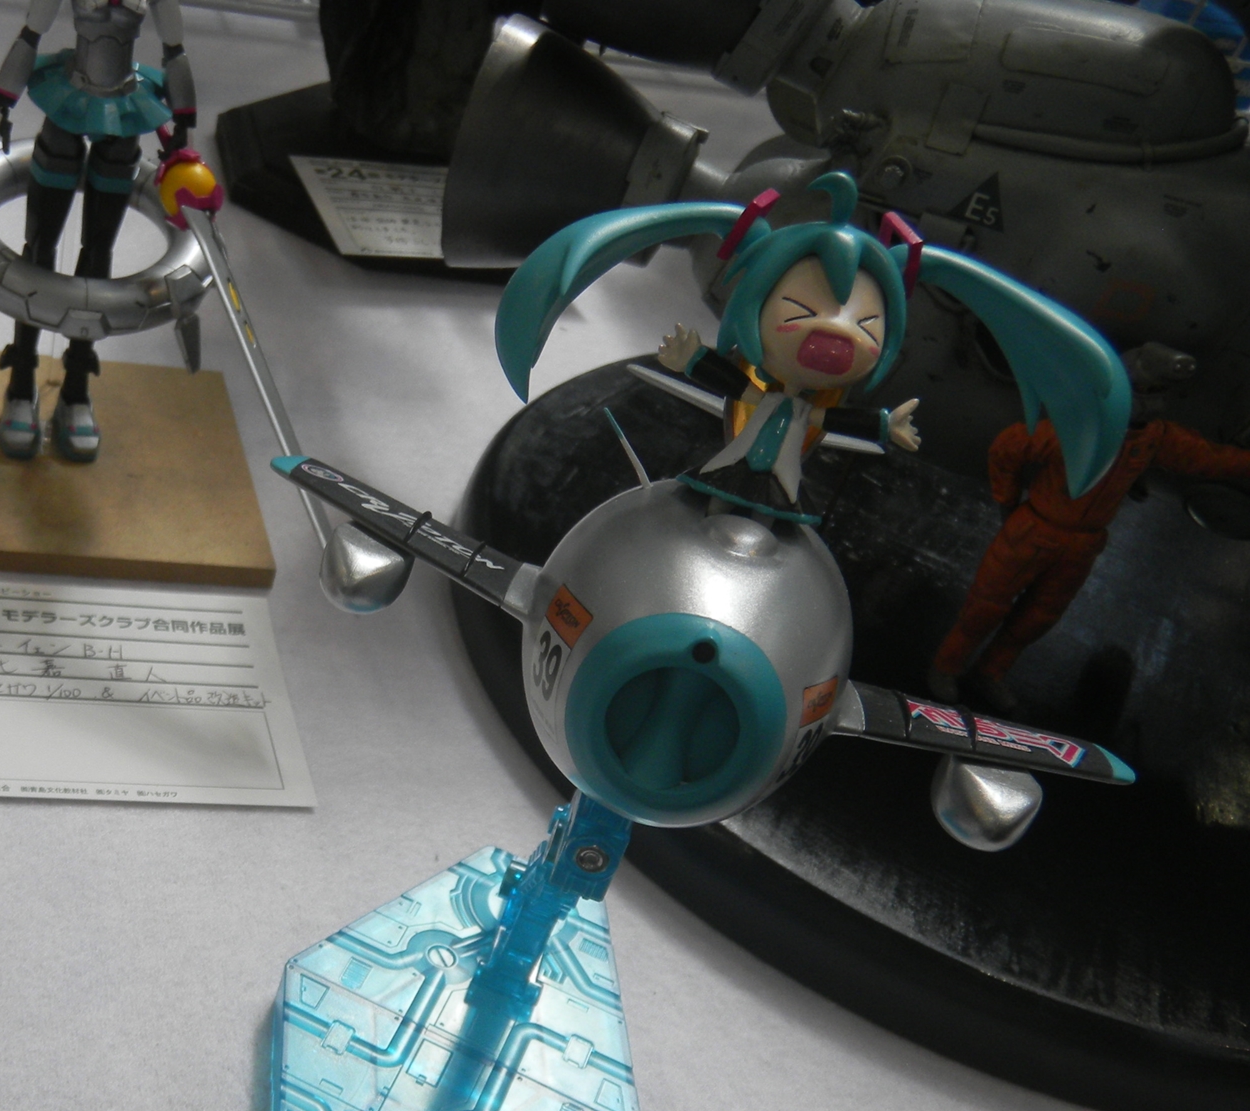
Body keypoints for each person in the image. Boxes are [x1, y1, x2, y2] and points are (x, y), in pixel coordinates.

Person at [495, 172, 1130, 525]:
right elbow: (733, 383)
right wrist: (692, 361)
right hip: (737, 454)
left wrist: (884, 426)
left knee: (775, 507)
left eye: (865, 323)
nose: (838, 330)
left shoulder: (811, 408)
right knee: (717, 494)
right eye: (802, 311)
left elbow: (837, 423)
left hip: (784, 473)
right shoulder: (760, 386)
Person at [930, 380, 1250, 711]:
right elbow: (1008, 447)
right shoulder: (1077, 430)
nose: (1149, 404)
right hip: (1035, 529)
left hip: (1082, 543)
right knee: (985, 606)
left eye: (1157, 393)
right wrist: (1007, 501)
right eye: (1144, 392)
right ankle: (946, 666)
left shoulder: (1153, 439)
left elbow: (1206, 458)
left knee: (1038, 618)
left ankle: (990, 672)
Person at [0, 0, 196, 461]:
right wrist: (2, 107)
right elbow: (30, 34)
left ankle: (77, 386)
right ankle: (21, 380)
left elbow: (175, 50)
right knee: (39, 250)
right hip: (68, 101)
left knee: (99, 253)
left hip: (126, 108)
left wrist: (183, 124)